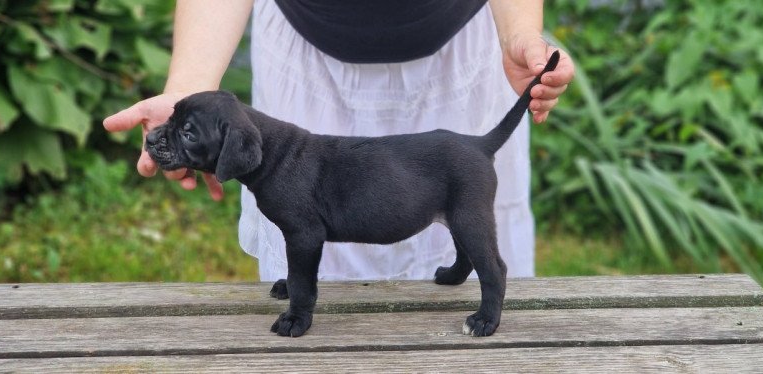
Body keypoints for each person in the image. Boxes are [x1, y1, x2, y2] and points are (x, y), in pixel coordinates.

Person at [104, 0, 574, 282]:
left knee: (466, 229)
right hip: (307, 69)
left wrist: (520, 33)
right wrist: (190, 88)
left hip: (464, 58)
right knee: (308, 238)